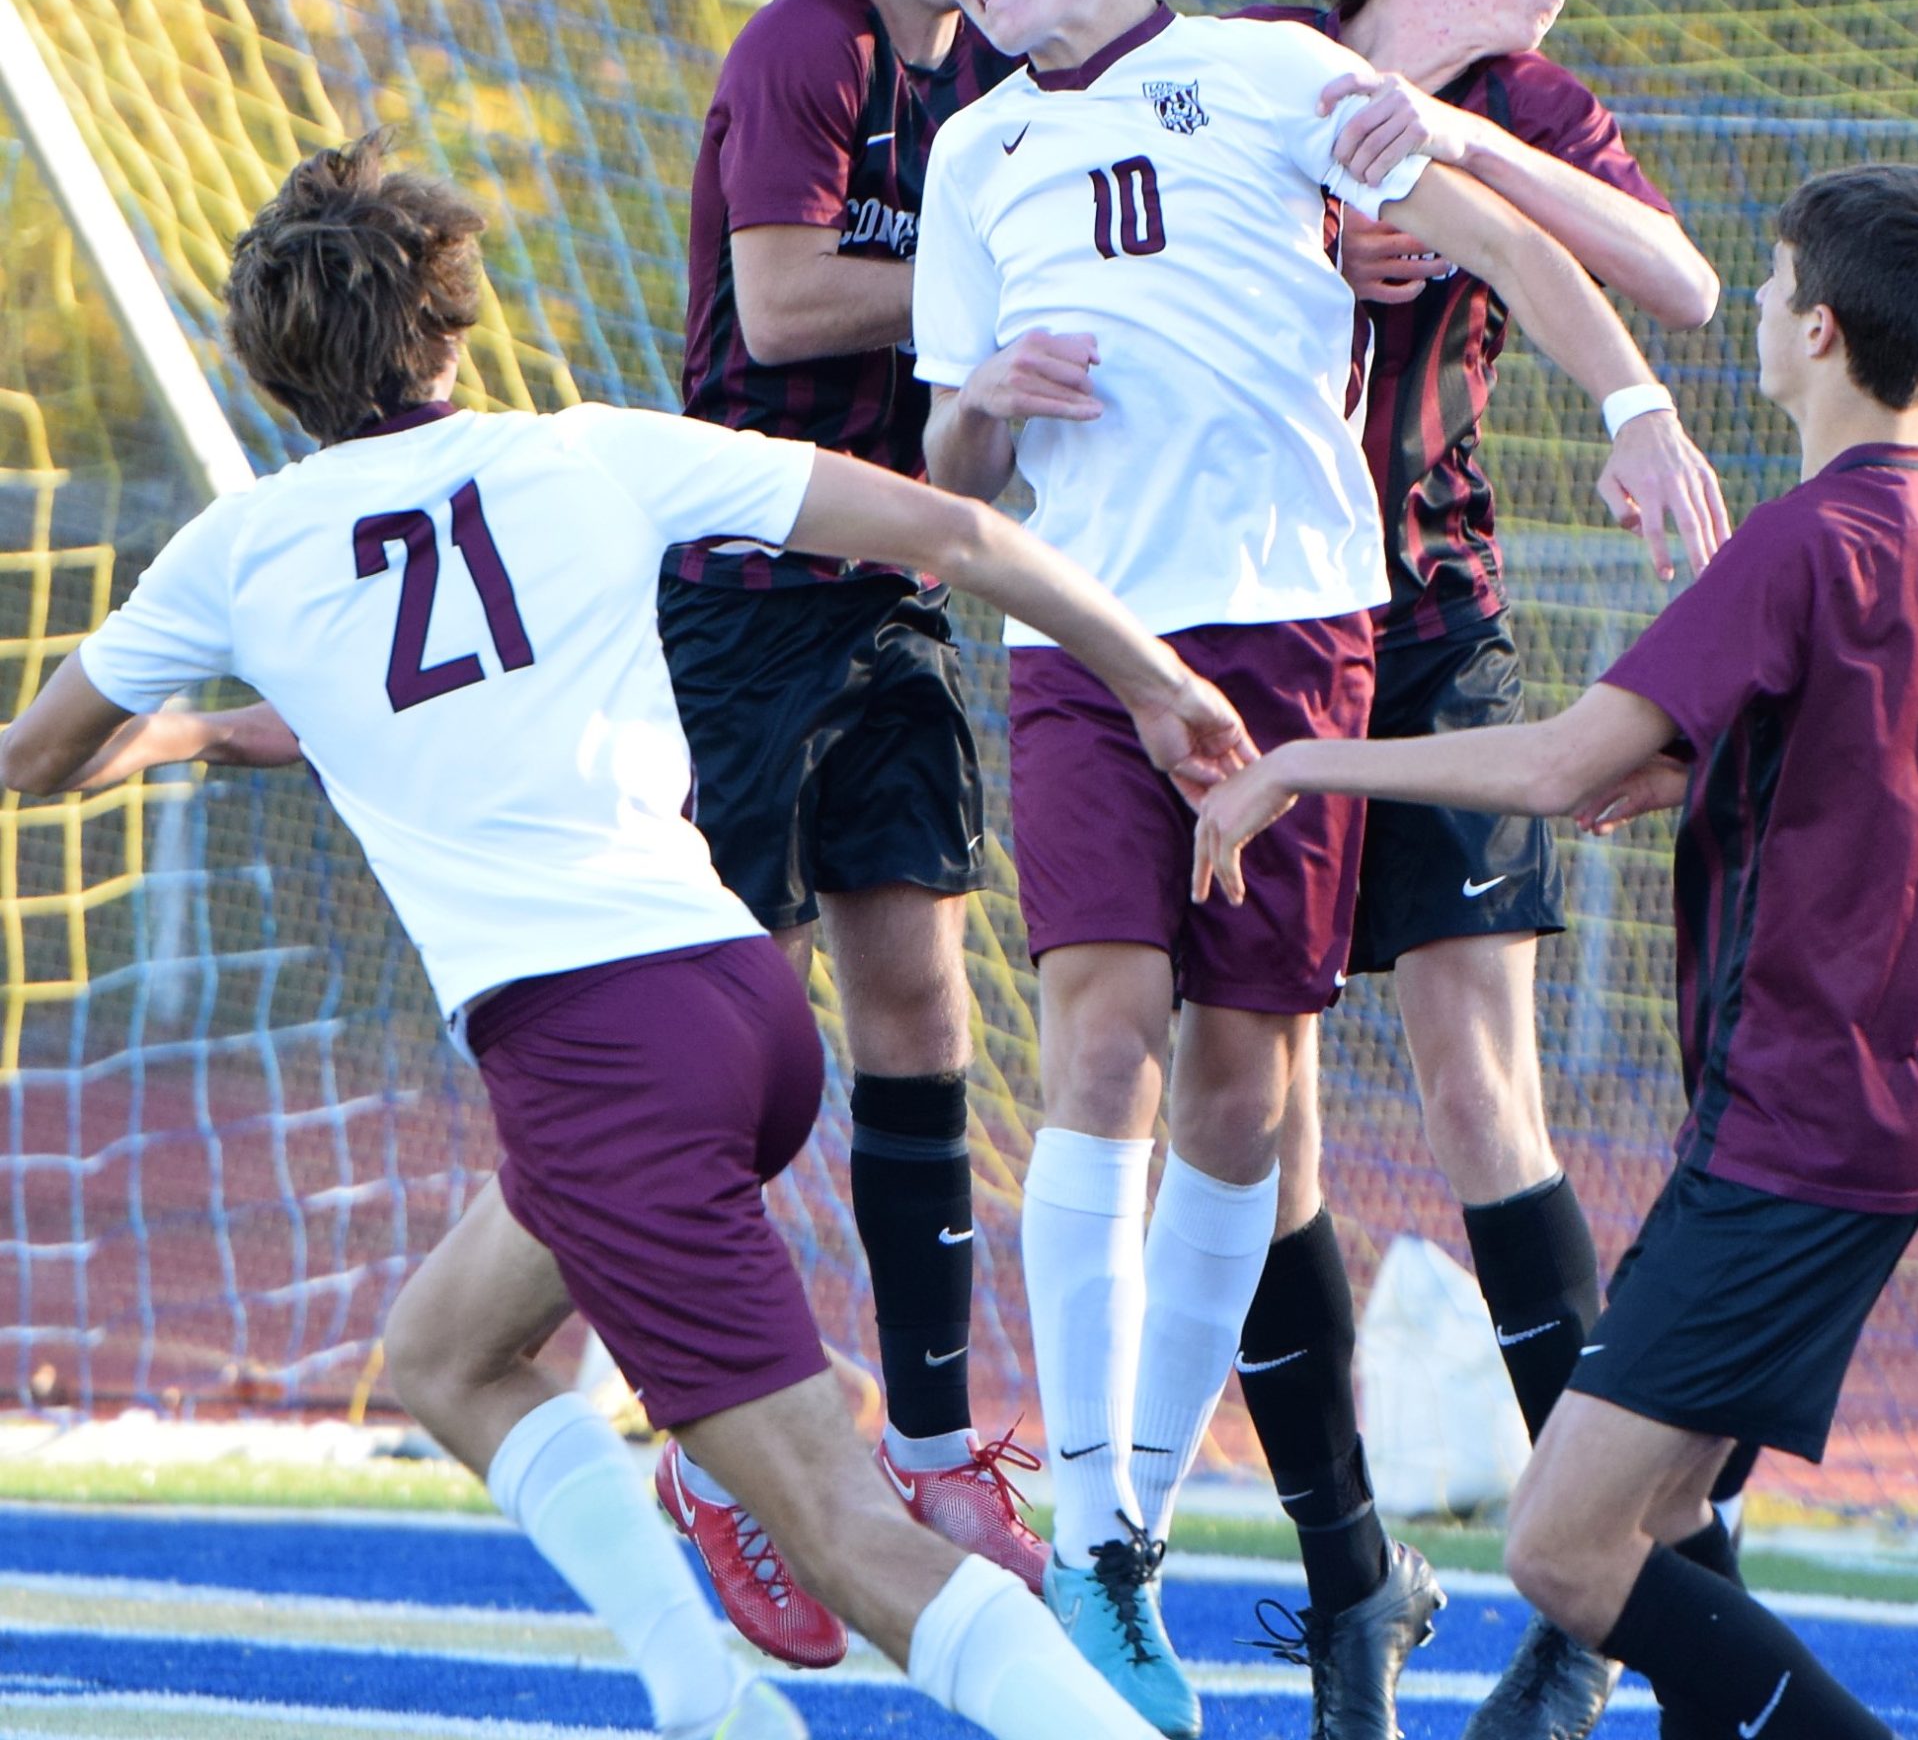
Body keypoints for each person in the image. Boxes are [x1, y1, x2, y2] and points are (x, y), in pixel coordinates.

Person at [0, 134, 1254, 1740]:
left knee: (842, 1532)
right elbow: (954, 534)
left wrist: (172, 730)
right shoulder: (588, 453)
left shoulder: (237, 556)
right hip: (737, 1001)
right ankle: (703, 1697)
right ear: (450, 324)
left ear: (274, 372)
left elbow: (41, 760)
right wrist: (1155, 677)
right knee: (447, 1352)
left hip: (594, 1059)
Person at [897, 0, 1728, 1740]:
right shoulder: (973, 148)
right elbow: (942, 471)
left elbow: (1543, 255)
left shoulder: (1278, 77)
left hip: (1301, 620)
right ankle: (1100, 1529)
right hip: (1079, 627)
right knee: (1097, 1024)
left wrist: (1624, 403)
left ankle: (1342, 1552)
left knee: (1254, 1086)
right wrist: (983, 409)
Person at [1194, 163, 1918, 1740]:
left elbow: (1549, 768)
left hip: (1792, 1120)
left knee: (1566, 1550)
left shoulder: (1802, 543)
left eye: (1772, 287)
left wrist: (1300, 765)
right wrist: (1734, 782)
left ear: (1811, 329)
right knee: (1656, 1528)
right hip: (1894, 1101)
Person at [1229, 0, 1720, 1735]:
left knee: (1476, 1081)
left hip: (1429, 616)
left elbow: (1672, 281)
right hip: (1241, 623)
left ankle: (1593, 1597)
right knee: (1256, 1111)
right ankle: (1351, 1576)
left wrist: (1456, 157)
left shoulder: (1531, 100)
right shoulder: (1248, 69)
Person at [657, 0, 1050, 1626]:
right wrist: (995, 267)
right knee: (728, 1038)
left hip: (894, 579)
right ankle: (712, 1450)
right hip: (744, 591)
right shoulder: (797, 47)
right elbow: (794, 299)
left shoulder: (995, 67)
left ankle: (927, 1440)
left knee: (920, 992)